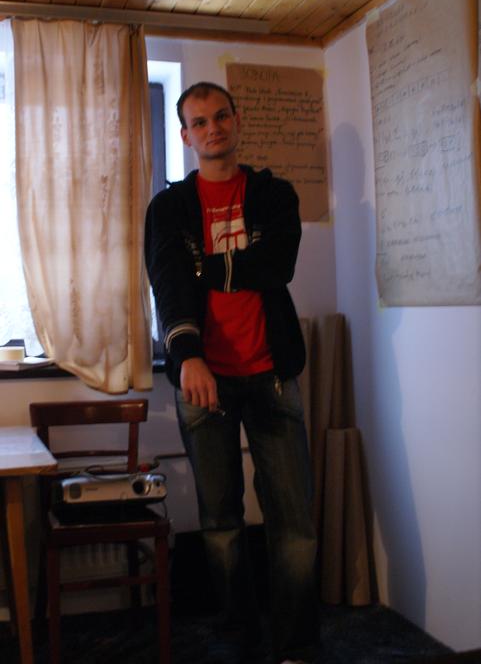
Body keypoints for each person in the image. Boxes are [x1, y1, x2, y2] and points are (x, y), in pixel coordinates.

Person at [145, 81, 319, 664]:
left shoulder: (273, 194)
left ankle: (295, 645)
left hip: (273, 374)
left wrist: (205, 267)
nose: (212, 129)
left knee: (293, 521)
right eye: (199, 122)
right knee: (220, 521)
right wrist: (189, 355)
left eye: (221, 117)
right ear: (185, 136)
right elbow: (169, 284)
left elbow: (278, 264)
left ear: (237, 121)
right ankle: (235, 634)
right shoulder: (169, 209)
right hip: (205, 380)